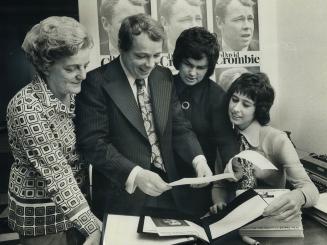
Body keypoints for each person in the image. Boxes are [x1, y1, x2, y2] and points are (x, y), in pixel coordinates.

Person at [75, 14, 212, 217]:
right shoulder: (95, 82)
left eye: (156, 56)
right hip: (124, 198)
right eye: (141, 56)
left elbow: (179, 126)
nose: (150, 64)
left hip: (170, 192)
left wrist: (199, 160)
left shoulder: (163, 76)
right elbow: (94, 143)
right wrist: (136, 175)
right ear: (122, 48)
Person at [6, 16, 101, 245]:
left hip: (77, 206)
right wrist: (92, 226)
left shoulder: (70, 92)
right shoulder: (26, 107)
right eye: (71, 68)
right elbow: (56, 173)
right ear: (46, 66)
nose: (83, 75)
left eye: (84, 66)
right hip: (43, 219)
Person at [211, 72, 319, 222]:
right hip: (233, 220)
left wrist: (299, 196)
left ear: (259, 109)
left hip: (270, 218)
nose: (235, 108)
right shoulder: (225, 138)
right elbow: (219, 186)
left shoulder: (277, 139)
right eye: (234, 100)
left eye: (246, 104)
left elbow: (310, 189)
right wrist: (219, 203)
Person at [172, 27, 239, 216]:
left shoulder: (217, 96)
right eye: (188, 64)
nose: (193, 73)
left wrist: (231, 167)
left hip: (203, 183)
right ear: (178, 60)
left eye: (200, 67)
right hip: (165, 181)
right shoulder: (163, 86)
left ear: (209, 67)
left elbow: (226, 140)